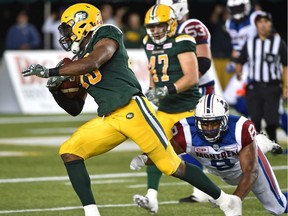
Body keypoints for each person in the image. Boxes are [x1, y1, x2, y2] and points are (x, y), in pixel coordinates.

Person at [21, 3, 242, 216]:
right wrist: (56, 90)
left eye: (68, 28)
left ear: (82, 23)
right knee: (70, 151)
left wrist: (52, 71)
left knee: (172, 166)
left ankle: (226, 201)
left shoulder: (106, 33)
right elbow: (75, 108)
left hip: (134, 110)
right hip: (110, 118)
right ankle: (91, 213)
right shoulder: (78, 59)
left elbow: (95, 61)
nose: (66, 34)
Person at [131, 93, 288, 215]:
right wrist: (145, 158)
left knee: (278, 207)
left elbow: (251, 171)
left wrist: (235, 199)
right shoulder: (186, 131)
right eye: (204, 123)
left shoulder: (240, 129)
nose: (209, 128)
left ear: (225, 120)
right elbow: (166, 154)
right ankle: (261, 142)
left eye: (214, 122)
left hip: (246, 169)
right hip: (224, 171)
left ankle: (260, 144)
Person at [133, 0, 218, 209]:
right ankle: (151, 198)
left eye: (160, 25)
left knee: (204, 152)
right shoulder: (148, 41)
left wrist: (169, 88)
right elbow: (154, 69)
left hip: (189, 103)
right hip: (166, 107)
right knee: (154, 147)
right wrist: (153, 89)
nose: (156, 30)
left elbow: (195, 73)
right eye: (152, 26)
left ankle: (218, 195)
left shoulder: (185, 36)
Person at [235, 11, 287, 143]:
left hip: (272, 86)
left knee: (271, 120)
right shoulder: (250, 42)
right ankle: (257, 146)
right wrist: (239, 72)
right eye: (260, 22)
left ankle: (273, 142)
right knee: (255, 119)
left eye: (266, 22)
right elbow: (240, 60)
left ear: (270, 24)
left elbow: (286, 65)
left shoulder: (278, 42)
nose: (263, 25)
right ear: (256, 25)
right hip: (254, 87)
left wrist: (286, 86)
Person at [223, 0, 261, 117]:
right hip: (244, 65)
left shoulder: (255, 18)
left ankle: (256, 116)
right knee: (229, 96)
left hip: (259, 62)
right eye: (234, 8)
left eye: (239, 7)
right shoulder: (230, 24)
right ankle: (254, 116)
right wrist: (233, 62)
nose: (236, 11)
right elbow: (237, 49)